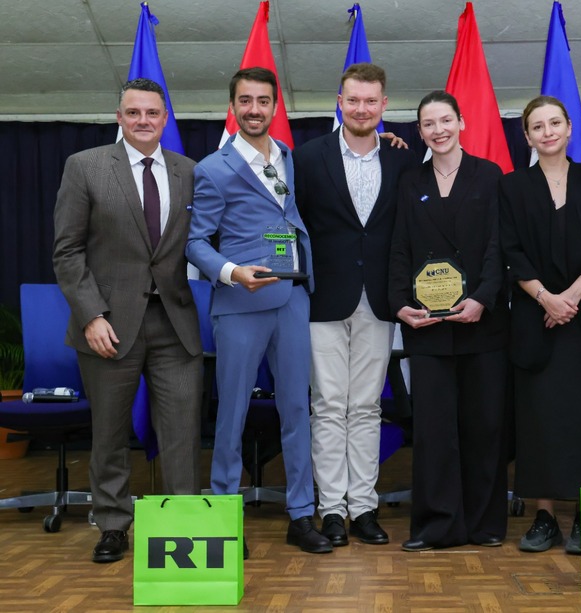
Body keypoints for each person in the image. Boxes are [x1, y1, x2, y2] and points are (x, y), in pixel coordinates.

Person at [53, 78, 202, 563]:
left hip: (175, 324)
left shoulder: (189, 171)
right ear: (119, 117)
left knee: (182, 432)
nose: (143, 120)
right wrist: (91, 315)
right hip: (109, 327)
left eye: (152, 113)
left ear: (165, 118)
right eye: (133, 112)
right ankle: (113, 525)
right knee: (110, 433)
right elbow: (67, 251)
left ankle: (183, 529)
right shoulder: (86, 166)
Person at [186, 67, 331, 555]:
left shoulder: (289, 157)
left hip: (293, 298)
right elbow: (195, 242)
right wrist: (231, 272)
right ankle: (225, 517)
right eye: (245, 100)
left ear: (274, 106)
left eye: (263, 101)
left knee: (297, 410)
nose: (254, 109)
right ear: (233, 106)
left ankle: (301, 515)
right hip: (240, 304)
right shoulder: (212, 168)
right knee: (232, 413)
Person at [293, 63, 415, 547]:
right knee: (327, 406)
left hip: (379, 300)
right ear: (339, 101)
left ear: (384, 105)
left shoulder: (402, 159)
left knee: (366, 407)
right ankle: (332, 510)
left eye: (371, 101)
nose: (361, 108)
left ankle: (364, 507)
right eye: (353, 100)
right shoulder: (307, 157)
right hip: (323, 299)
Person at [388, 90, 509, 551]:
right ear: (419, 132)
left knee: (484, 427)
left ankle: (484, 524)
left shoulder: (489, 175)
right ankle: (436, 526)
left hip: (482, 323)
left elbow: (499, 246)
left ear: (462, 123)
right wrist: (399, 304)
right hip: (428, 326)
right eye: (428, 124)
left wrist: (483, 299)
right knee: (435, 431)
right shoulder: (409, 180)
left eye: (445, 121)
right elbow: (399, 246)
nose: (438, 130)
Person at [499, 96, 581, 555]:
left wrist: (570, 296)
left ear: (570, 129)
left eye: (555, 123)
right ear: (527, 136)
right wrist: (546, 298)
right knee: (540, 423)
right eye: (537, 126)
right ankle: (545, 517)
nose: (547, 132)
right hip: (537, 321)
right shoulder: (511, 187)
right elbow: (510, 250)